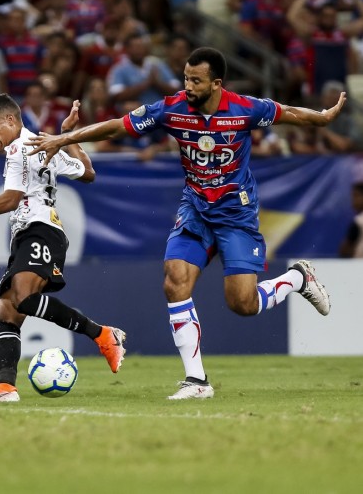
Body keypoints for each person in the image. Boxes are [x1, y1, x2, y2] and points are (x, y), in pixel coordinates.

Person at [25, 47, 339, 400]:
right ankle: (197, 381)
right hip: (195, 210)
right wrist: (64, 138)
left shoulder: (246, 109)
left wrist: (322, 118)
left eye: (196, 80)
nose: (187, 86)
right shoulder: (173, 109)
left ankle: (298, 277)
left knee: (243, 304)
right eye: (186, 78)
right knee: (175, 281)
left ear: (217, 84)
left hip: (236, 214)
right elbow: (117, 126)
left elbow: (290, 113)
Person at [0, 94, 126, 403]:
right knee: (6, 308)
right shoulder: (43, 143)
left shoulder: (20, 148)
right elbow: (87, 172)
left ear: (9, 120)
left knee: (21, 296)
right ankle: (5, 386)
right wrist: (65, 136)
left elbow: (10, 199)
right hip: (28, 232)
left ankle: (101, 334)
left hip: (42, 229)